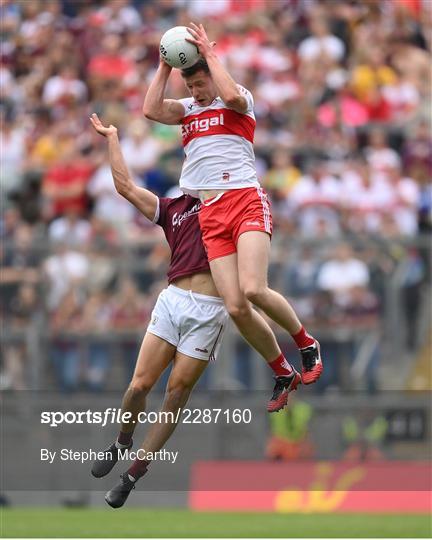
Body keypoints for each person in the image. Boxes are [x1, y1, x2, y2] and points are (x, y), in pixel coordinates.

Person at [88, 113, 300, 509]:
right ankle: (122, 441)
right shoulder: (175, 207)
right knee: (138, 386)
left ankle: (133, 475)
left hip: (210, 309)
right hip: (172, 301)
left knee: (176, 394)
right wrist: (113, 139)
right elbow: (125, 187)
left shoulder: (238, 203)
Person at [142, 23, 323, 400]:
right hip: (210, 211)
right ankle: (282, 371)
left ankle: (306, 343)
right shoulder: (188, 110)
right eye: (190, 86)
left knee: (254, 288)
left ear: (212, 72)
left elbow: (231, 95)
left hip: (244, 200)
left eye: (200, 84)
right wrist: (164, 65)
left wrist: (209, 53)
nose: (196, 91)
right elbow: (150, 109)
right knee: (235, 306)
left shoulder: (236, 97)